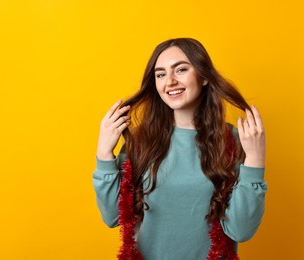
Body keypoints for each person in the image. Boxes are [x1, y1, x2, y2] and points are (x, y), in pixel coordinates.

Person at [93, 38, 266, 260]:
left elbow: (241, 231)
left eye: (181, 69)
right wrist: (104, 154)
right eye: (161, 74)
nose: (170, 81)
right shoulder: (141, 140)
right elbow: (114, 216)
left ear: (203, 76)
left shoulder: (233, 140)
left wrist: (256, 159)